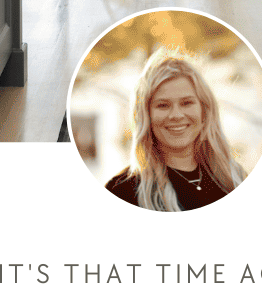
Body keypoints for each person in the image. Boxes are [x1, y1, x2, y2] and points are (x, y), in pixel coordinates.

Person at [105, 48, 246, 211]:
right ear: (146, 115)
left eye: (187, 103)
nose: (176, 115)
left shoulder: (235, 178)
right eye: (163, 105)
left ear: (204, 110)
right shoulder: (122, 192)